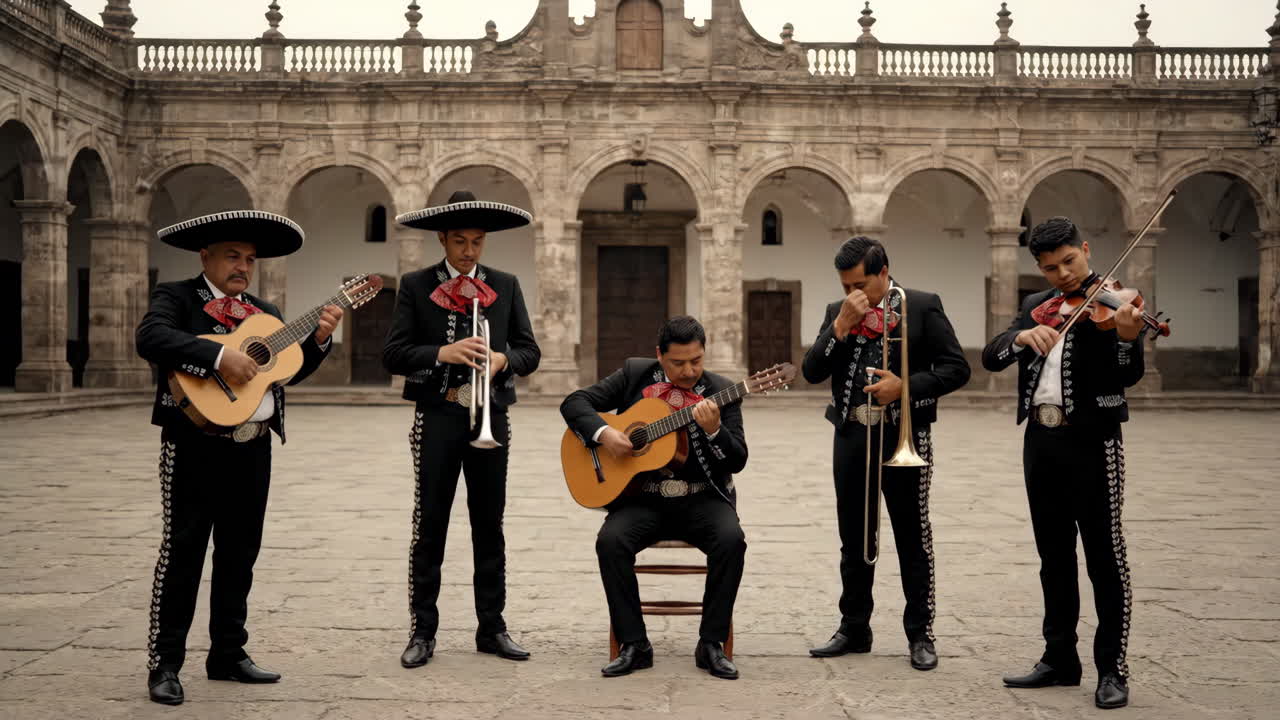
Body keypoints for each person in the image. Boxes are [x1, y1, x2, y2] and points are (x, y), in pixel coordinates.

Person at [136, 211, 340, 705]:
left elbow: (282, 371)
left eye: (249, 258)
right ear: (205, 256)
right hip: (194, 443)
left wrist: (318, 341)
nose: (243, 266)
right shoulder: (177, 297)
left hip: (254, 445)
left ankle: (228, 652)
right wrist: (217, 356)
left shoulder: (264, 312)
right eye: (233, 255)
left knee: (239, 553)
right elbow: (151, 339)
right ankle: (165, 663)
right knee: (183, 552)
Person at [982, 217, 1145, 710]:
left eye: (1070, 262)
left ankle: (1112, 669)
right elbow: (991, 357)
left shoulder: (1115, 304)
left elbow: (1129, 375)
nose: (1064, 275)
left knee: (1104, 556)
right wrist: (1020, 338)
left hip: (1093, 442)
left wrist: (1124, 338)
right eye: (1051, 268)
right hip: (1040, 441)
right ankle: (1059, 659)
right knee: (1053, 556)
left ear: (1086, 249)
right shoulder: (1037, 306)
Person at [383, 190, 541, 668]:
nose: (469, 252)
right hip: (438, 416)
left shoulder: (507, 285)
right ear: (442, 240)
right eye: (459, 242)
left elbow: (529, 353)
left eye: (476, 242)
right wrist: (441, 353)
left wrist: (502, 360)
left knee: (488, 526)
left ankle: (492, 628)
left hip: (491, 416)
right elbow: (392, 354)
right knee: (429, 526)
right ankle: (422, 632)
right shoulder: (414, 284)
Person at [803, 236, 970, 671]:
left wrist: (906, 387)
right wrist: (838, 327)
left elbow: (957, 368)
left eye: (860, 284)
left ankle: (921, 633)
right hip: (852, 434)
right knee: (854, 539)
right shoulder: (835, 313)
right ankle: (854, 627)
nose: (853, 295)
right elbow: (811, 371)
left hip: (904, 436)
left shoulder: (922, 304)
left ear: (883, 272)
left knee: (913, 537)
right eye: (845, 287)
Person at [560, 315, 749, 680]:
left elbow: (738, 459)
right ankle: (635, 645)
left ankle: (711, 643)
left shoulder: (723, 390)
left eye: (696, 360)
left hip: (702, 499)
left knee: (732, 541)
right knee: (610, 541)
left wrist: (715, 432)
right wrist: (603, 433)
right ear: (659, 356)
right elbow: (575, 403)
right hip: (642, 498)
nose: (689, 370)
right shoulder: (634, 374)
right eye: (678, 362)